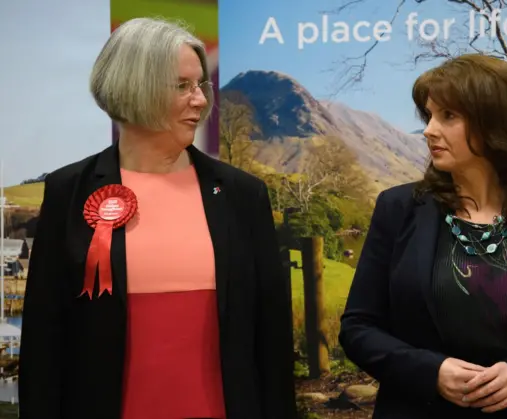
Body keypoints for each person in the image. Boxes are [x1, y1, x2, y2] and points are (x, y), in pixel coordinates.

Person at [18, 17, 297, 419]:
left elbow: (270, 340)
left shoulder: (241, 194)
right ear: (135, 88)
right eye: (182, 86)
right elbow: (45, 342)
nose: (201, 100)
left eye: (201, 84)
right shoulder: (69, 190)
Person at [339, 54, 507, 419]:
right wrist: (431, 372)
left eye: (448, 116)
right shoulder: (398, 208)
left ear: (496, 124)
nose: (429, 130)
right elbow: (358, 328)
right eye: (429, 115)